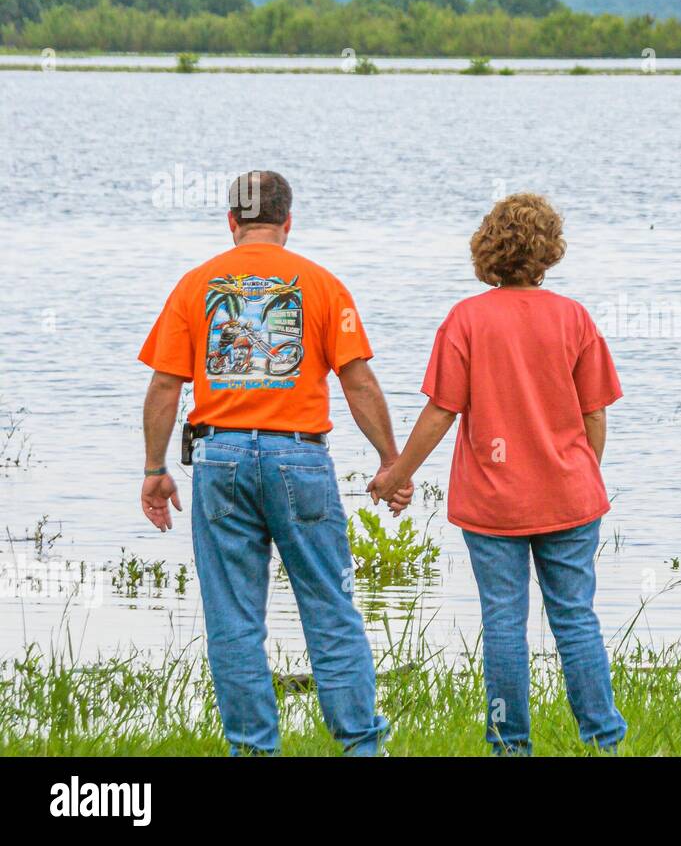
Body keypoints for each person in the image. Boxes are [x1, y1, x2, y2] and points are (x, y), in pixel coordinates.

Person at [137, 170, 413, 756]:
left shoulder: (195, 285)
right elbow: (358, 381)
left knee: (234, 618)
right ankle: (364, 748)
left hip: (220, 458)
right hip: (300, 460)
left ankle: (253, 749)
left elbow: (165, 386)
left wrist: (153, 467)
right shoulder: (322, 284)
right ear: (288, 221)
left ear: (231, 222)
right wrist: (391, 462)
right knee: (330, 606)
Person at [368, 192, 626, 755]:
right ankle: (605, 740)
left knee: (505, 623)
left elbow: (441, 411)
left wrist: (396, 475)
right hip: (570, 497)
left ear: (488, 248)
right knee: (576, 618)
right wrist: (582, 476)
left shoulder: (466, 319)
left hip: (493, 504)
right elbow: (595, 412)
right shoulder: (574, 317)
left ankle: (510, 745)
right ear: (549, 251)